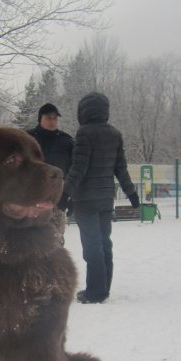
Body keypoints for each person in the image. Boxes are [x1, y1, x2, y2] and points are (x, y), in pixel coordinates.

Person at [64, 91, 139, 304]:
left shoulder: (84, 133)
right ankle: (104, 287)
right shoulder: (115, 134)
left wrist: (64, 193)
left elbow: (78, 168)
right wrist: (132, 193)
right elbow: (121, 169)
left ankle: (95, 292)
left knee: (92, 246)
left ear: (84, 111)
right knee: (105, 243)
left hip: (86, 201)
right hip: (106, 198)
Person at [26, 103, 73, 211]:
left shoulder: (66, 141)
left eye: (55, 118)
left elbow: (74, 169)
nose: (52, 121)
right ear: (40, 119)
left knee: (55, 227)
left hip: (58, 196)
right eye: (48, 118)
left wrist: (71, 197)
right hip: (32, 195)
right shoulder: (28, 139)